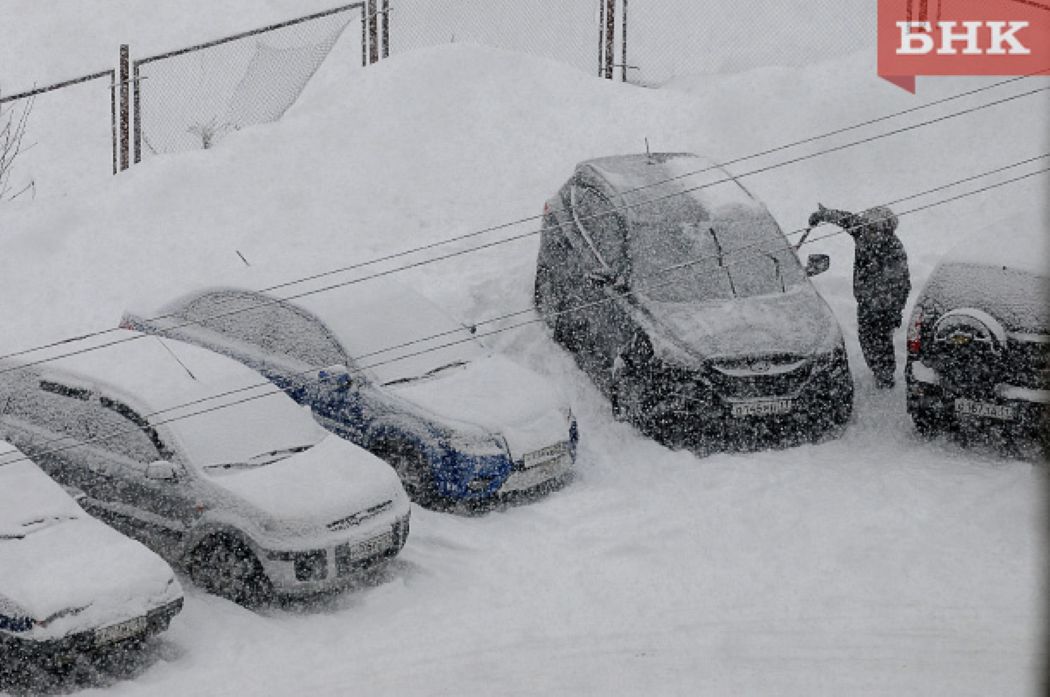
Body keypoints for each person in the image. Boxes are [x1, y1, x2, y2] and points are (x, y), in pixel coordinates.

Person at [807, 203, 911, 388]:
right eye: (868, 226)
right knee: (865, 337)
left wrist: (895, 309)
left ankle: (885, 375)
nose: (870, 231)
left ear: (886, 229)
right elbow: (845, 218)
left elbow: (902, 285)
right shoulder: (862, 232)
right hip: (865, 301)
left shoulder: (894, 250)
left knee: (882, 340)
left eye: (874, 228)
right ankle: (876, 367)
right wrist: (823, 214)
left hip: (885, 306)